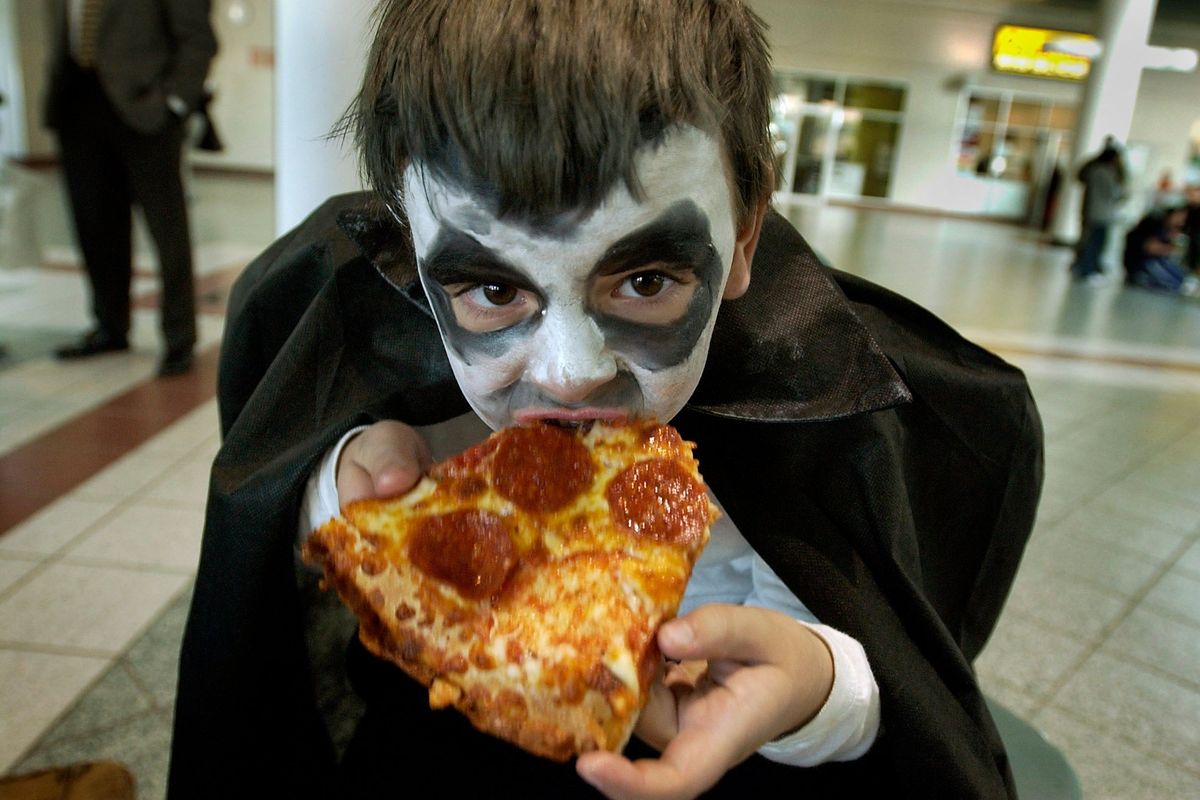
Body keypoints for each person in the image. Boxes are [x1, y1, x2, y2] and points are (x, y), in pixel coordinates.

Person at [168, 2, 1043, 798]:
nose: (569, 373)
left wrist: (816, 687)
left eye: (647, 279)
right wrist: (336, 493)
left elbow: (903, 681)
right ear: (412, 255)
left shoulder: (828, 407)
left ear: (741, 237)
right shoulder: (384, 365)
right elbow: (266, 583)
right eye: (494, 294)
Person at [44, 0, 217, 377]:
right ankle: (110, 326)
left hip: (145, 110)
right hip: (77, 104)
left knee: (166, 229)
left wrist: (173, 102)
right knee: (94, 226)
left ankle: (178, 337)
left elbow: (198, 38)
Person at [1070, 143, 1126, 285]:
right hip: (1101, 213)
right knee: (1095, 243)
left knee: (1088, 240)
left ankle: (1081, 266)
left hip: (1090, 211)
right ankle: (1088, 270)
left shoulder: (1093, 169)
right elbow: (1115, 193)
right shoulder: (1105, 172)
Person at [1122, 206, 1199, 295]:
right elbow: (1150, 248)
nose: (1181, 221)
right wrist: (1172, 248)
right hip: (1142, 263)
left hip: (1155, 261)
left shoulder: (1169, 230)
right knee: (1175, 282)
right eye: (1180, 216)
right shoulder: (1155, 224)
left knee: (1179, 276)